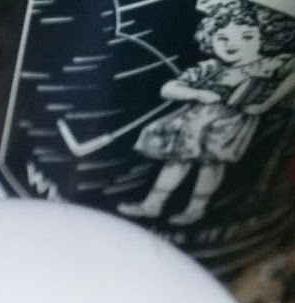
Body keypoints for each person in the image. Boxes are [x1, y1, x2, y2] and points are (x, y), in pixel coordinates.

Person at [118, 0, 295, 225]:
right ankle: (152, 204)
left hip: (230, 124)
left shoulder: (269, 65)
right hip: (193, 122)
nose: (233, 45)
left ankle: (196, 209)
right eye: (223, 38)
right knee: (176, 161)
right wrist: (197, 94)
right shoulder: (210, 68)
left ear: (267, 37)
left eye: (247, 37)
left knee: (212, 164)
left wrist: (268, 102)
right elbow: (169, 88)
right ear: (210, 37)